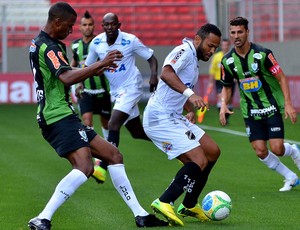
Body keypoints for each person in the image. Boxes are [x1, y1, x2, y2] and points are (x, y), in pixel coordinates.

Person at [27, 2, 168, 229]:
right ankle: (43, 218)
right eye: (70, 26)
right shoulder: (50, 47)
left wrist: (97, 68)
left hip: (64, 115)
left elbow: (66, 72)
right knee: (85, 167)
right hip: (56, 117)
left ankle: (141, 215)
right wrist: (100, 63)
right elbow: (66, 78)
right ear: (57, 22)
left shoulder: (40, 43)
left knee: (113, 155)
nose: (71, 30)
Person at [142, 23, 222, 226]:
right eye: (210, 46)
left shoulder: (193, 59)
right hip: (159, 118)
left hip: (173, 115)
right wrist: (191, 95)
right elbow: (166, 74)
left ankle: (188, 204)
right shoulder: (184, 51)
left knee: (212, 151)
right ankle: (164, 200)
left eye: (215, 48)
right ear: (198, 39)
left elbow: (178, 86)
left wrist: (188, 107)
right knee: (198, 159)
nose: (212, 51)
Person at [220, 16, 300, 192]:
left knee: (277, 149)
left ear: (247, 32)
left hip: (271, 107)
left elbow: (282, 78)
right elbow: (226, 87)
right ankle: (290, 176)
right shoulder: (227, 61)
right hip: (251, 111)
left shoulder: (263, 54)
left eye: (240, 32)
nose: (236, 36)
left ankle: (294, 151)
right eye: (233, 32)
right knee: (260, 151)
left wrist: (288, 103)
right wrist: (224, 104)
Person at [85, 12, 158, 183]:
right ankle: (171, 143)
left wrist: (154, 75)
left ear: (119, 25)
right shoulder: (96, 43)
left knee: (113, 124)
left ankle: (103, 166)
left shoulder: (130, 40)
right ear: (102, 26)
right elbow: (88, 67)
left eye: (113, 24)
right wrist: (81, 81)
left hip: (132, 86)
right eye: (106, 25)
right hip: (117, 91)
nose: (110, 27)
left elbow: (151, 58)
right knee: (137, 132)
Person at [70, 10, 111, 183]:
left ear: (94, 26)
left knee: (106, 123)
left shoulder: (101, 43)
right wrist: (75, 85)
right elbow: (72, 65)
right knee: (86, 121)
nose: (87, 28)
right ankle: (94, 157)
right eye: (84, 25)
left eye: (90, 25)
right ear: (80, 27)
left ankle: (107, 152)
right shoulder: (75, 46)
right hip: (85, 91)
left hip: (102, 91)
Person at [207, 38, 235, 124]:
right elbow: (212, 70)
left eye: (226, 45)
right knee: (221, 98)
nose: (224, 47)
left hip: (230, 80)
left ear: (228, 46)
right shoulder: (216, 57)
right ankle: (222, 117)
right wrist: (211, 82)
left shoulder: (232, 56)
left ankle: (226, 118)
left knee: (229, 100)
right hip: (219, 80)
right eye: (223, 45)